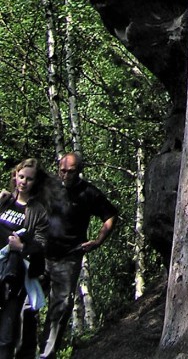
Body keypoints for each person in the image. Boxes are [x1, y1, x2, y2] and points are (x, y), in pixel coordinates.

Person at [38, 154, 117, 359]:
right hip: (41, 255)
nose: (65, 174)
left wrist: (98, 240)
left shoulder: (89, 193)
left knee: (61, 307)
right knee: (27, 303)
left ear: (79, 170)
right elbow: (23, 192)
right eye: (62, 170)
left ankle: (46, 354)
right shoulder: (48, 185)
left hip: (69, 258)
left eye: (70, 171)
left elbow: (110, 215)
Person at [0, 158, 48, 359]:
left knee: (7, 332)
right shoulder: (5, 200)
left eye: (29, 179)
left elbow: (42, 244)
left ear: (35, 182)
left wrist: (22, 248)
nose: (24, 182)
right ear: (15, 176)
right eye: (21, 177)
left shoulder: (39, 211)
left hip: (14, 276)